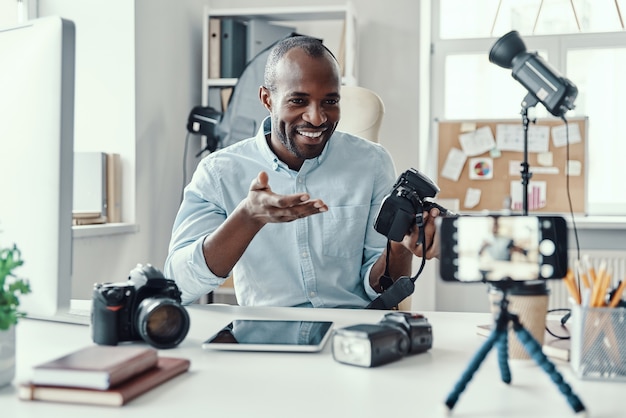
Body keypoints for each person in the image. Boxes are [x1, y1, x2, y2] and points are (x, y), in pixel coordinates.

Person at [165, 35, 439, 307]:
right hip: (267, 336)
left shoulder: (371, 163)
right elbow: (178, 286)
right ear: (267, 99)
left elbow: (381, 291)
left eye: (330, 102)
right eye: (298, 101)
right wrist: (246, 219)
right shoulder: (219, 171)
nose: (317, 117)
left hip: (348, 333)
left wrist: (400, 247)